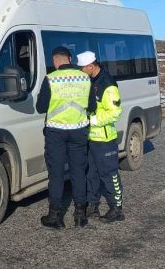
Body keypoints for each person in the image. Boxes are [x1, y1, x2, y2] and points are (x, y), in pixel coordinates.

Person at [36, 46, 96, 229]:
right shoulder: (85, 78)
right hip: (79, 131)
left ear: (55, 61)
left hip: (56, 132)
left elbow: (40, 107)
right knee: (78, 172)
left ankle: (55, 216)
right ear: (69, 58)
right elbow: (91, 105)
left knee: (56, 174)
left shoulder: (50, 79)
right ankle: (80, 215)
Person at [77, 50, 125, 223]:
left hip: (105, 140)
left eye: (82, 67)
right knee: (91, 174)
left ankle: (117, 208)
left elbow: (115, 113)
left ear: (91, 66)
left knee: (109, 174)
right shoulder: (88, 81)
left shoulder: (108, 84)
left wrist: (92, 120)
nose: (80, 70)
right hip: (90, 138)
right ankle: (93, 205)